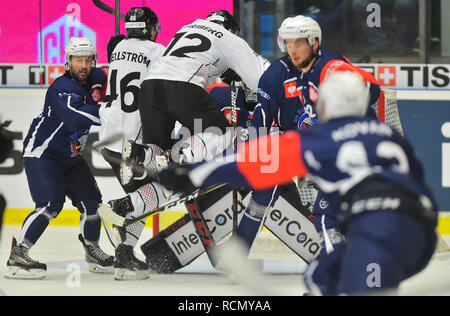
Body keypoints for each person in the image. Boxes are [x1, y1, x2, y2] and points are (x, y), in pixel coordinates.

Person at [158, 72, 438, 295]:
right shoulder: (388, 135)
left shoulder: (324, 136)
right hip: (422, 232)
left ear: (326, 105)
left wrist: (193, 175)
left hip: (376, 227)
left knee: (323, 279)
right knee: (331, 275)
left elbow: (253, 163)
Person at [103, 10, 267, 251]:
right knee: (221, 133)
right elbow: (259, 77)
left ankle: (129, 196)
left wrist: (225, 69)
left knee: (163, 168)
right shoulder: (228, 37)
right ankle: (167, 158)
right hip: (180, 88)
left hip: (149, 91)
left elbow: (196, 60)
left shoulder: (188, 27)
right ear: (229, 27)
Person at [235, 15, 381, 258]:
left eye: (299, 43)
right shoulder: (274, 75)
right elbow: (260, 120)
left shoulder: (333, 64)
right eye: (287, 43)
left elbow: (369, 93)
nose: (292, 50)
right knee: (265, 188)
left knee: (335, 210)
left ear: (314, 42)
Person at [5, 37, 113, 279]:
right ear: (68, 61)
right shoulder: (61, 87)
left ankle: (92, 251)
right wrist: (110, 112)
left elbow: (111, 91)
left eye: (88, 60)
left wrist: (115, 54)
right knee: (49, 205)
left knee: (92, 204)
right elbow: (76, 118)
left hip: (71, 155)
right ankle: (18, 256)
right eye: (78, 60)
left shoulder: (98, 77)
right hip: (44, 153)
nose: (83, 65)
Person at [98, 6, 166, 281]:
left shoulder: (117, 49)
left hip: (109, 138)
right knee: (158, 193)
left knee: (143, 198)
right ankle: (116, 208)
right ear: (150, 29)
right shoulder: (158, 51)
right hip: (132, 141)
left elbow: (125, 64)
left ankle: (125, 253)